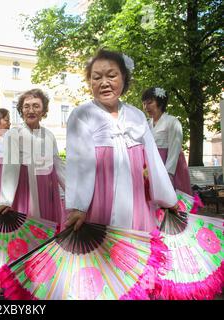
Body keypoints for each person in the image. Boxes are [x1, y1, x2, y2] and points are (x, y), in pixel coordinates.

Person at [65, 49, 178, 232]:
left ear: (124, 78)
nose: (104, 83)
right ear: (90, 82)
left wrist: (168, 198)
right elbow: (79, 164)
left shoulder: (137, 115)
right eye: (96, 78)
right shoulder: (82, 115)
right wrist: (79, 206)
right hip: (99, 202)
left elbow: (154, 162)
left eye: (111, 75)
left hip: (137, 201)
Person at [0, 89, 66, 225]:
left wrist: (73, 193)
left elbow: (58, 165)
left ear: (43, 111)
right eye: (26, 106)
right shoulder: (14, 134)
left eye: (36, 106)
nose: (31, 110)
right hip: (25, 189)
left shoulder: (49, 135)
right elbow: (11, 167)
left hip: (47, 192)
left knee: (47, 232)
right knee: (28, 232)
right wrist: (6, 200)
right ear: (21, 111)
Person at [142, 87, 192, 195]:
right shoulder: (146, 124)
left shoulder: (173, 122)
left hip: (170, 166)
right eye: (144, 103)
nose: (146, 107)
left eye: (149, 103)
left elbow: (175, 149)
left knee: (171, 201)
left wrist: (168, 174)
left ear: (160, 103)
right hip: (151, 167)